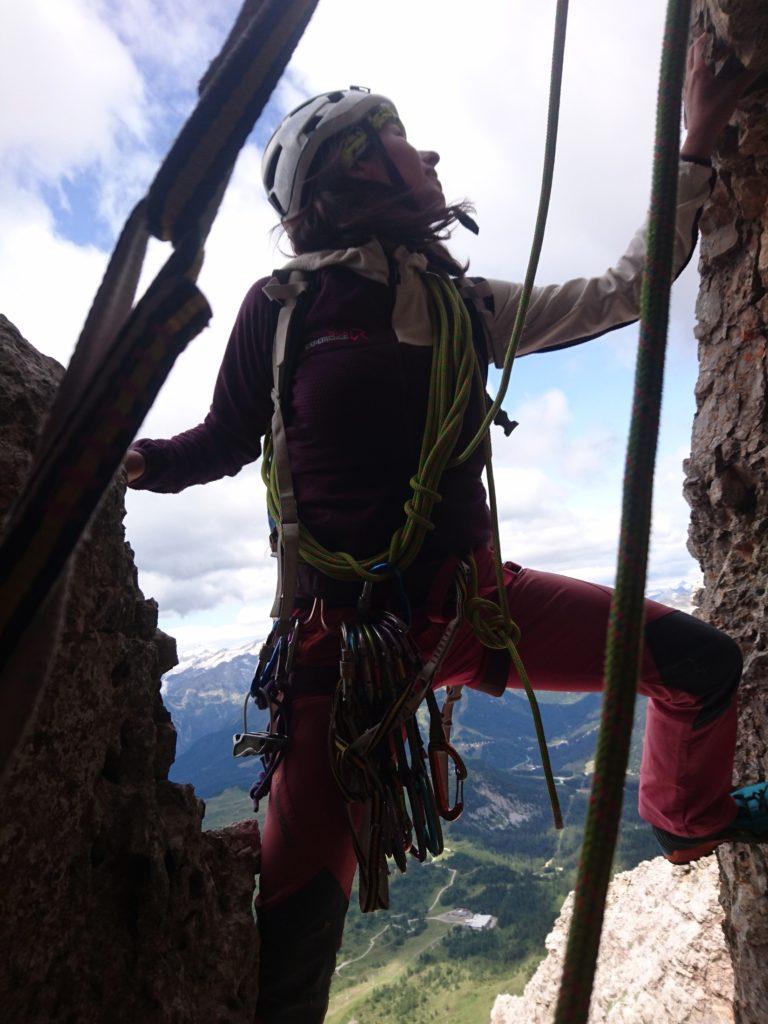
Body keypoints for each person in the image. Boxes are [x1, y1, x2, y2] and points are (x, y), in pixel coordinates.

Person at [125, 38, 766, 1024]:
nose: (427, 161)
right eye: (402, 143)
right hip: (339, 655)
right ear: (354, 170)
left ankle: (690, 820)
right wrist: (137, 463)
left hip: (474, 605)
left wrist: (691, 147)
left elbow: (622, 290)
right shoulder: (283, 308)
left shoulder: (461, 306)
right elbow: (225, 436)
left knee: (699, 662)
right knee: (294, 948)